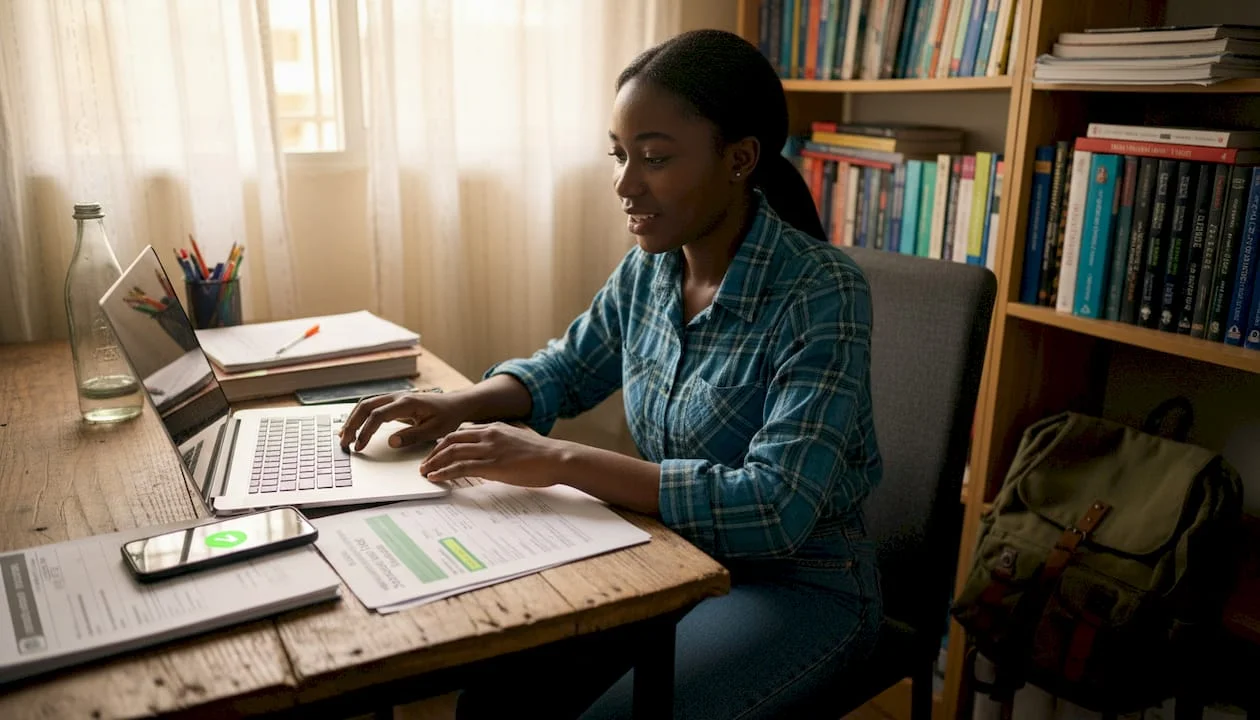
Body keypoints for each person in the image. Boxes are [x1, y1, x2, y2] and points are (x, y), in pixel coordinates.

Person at [338, 28, 882, 720]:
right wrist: (459, 404)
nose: (625, 185)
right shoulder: (653, 266)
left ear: (740, 158)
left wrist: (561, 458)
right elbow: (569, 367)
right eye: (619, 155)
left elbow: (775, 507)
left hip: (800, 586)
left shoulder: (821, 293)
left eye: (654, 158)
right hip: (671, 559)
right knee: (495, 699)